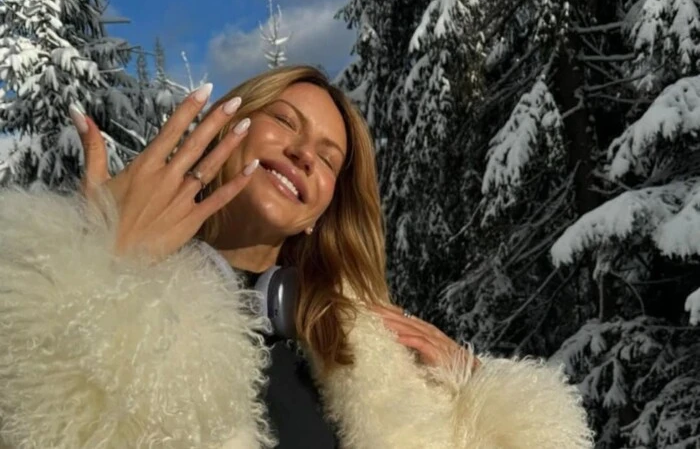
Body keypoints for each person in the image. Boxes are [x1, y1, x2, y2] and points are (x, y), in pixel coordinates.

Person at [0, 65, 593, 448]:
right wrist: (89, 274)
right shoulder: (98, 286)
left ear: (323, 210)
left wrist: (483, 395)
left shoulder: (370, 358)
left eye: (330, 158)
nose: (305, 153)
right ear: (229, 126)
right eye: (285, 121)